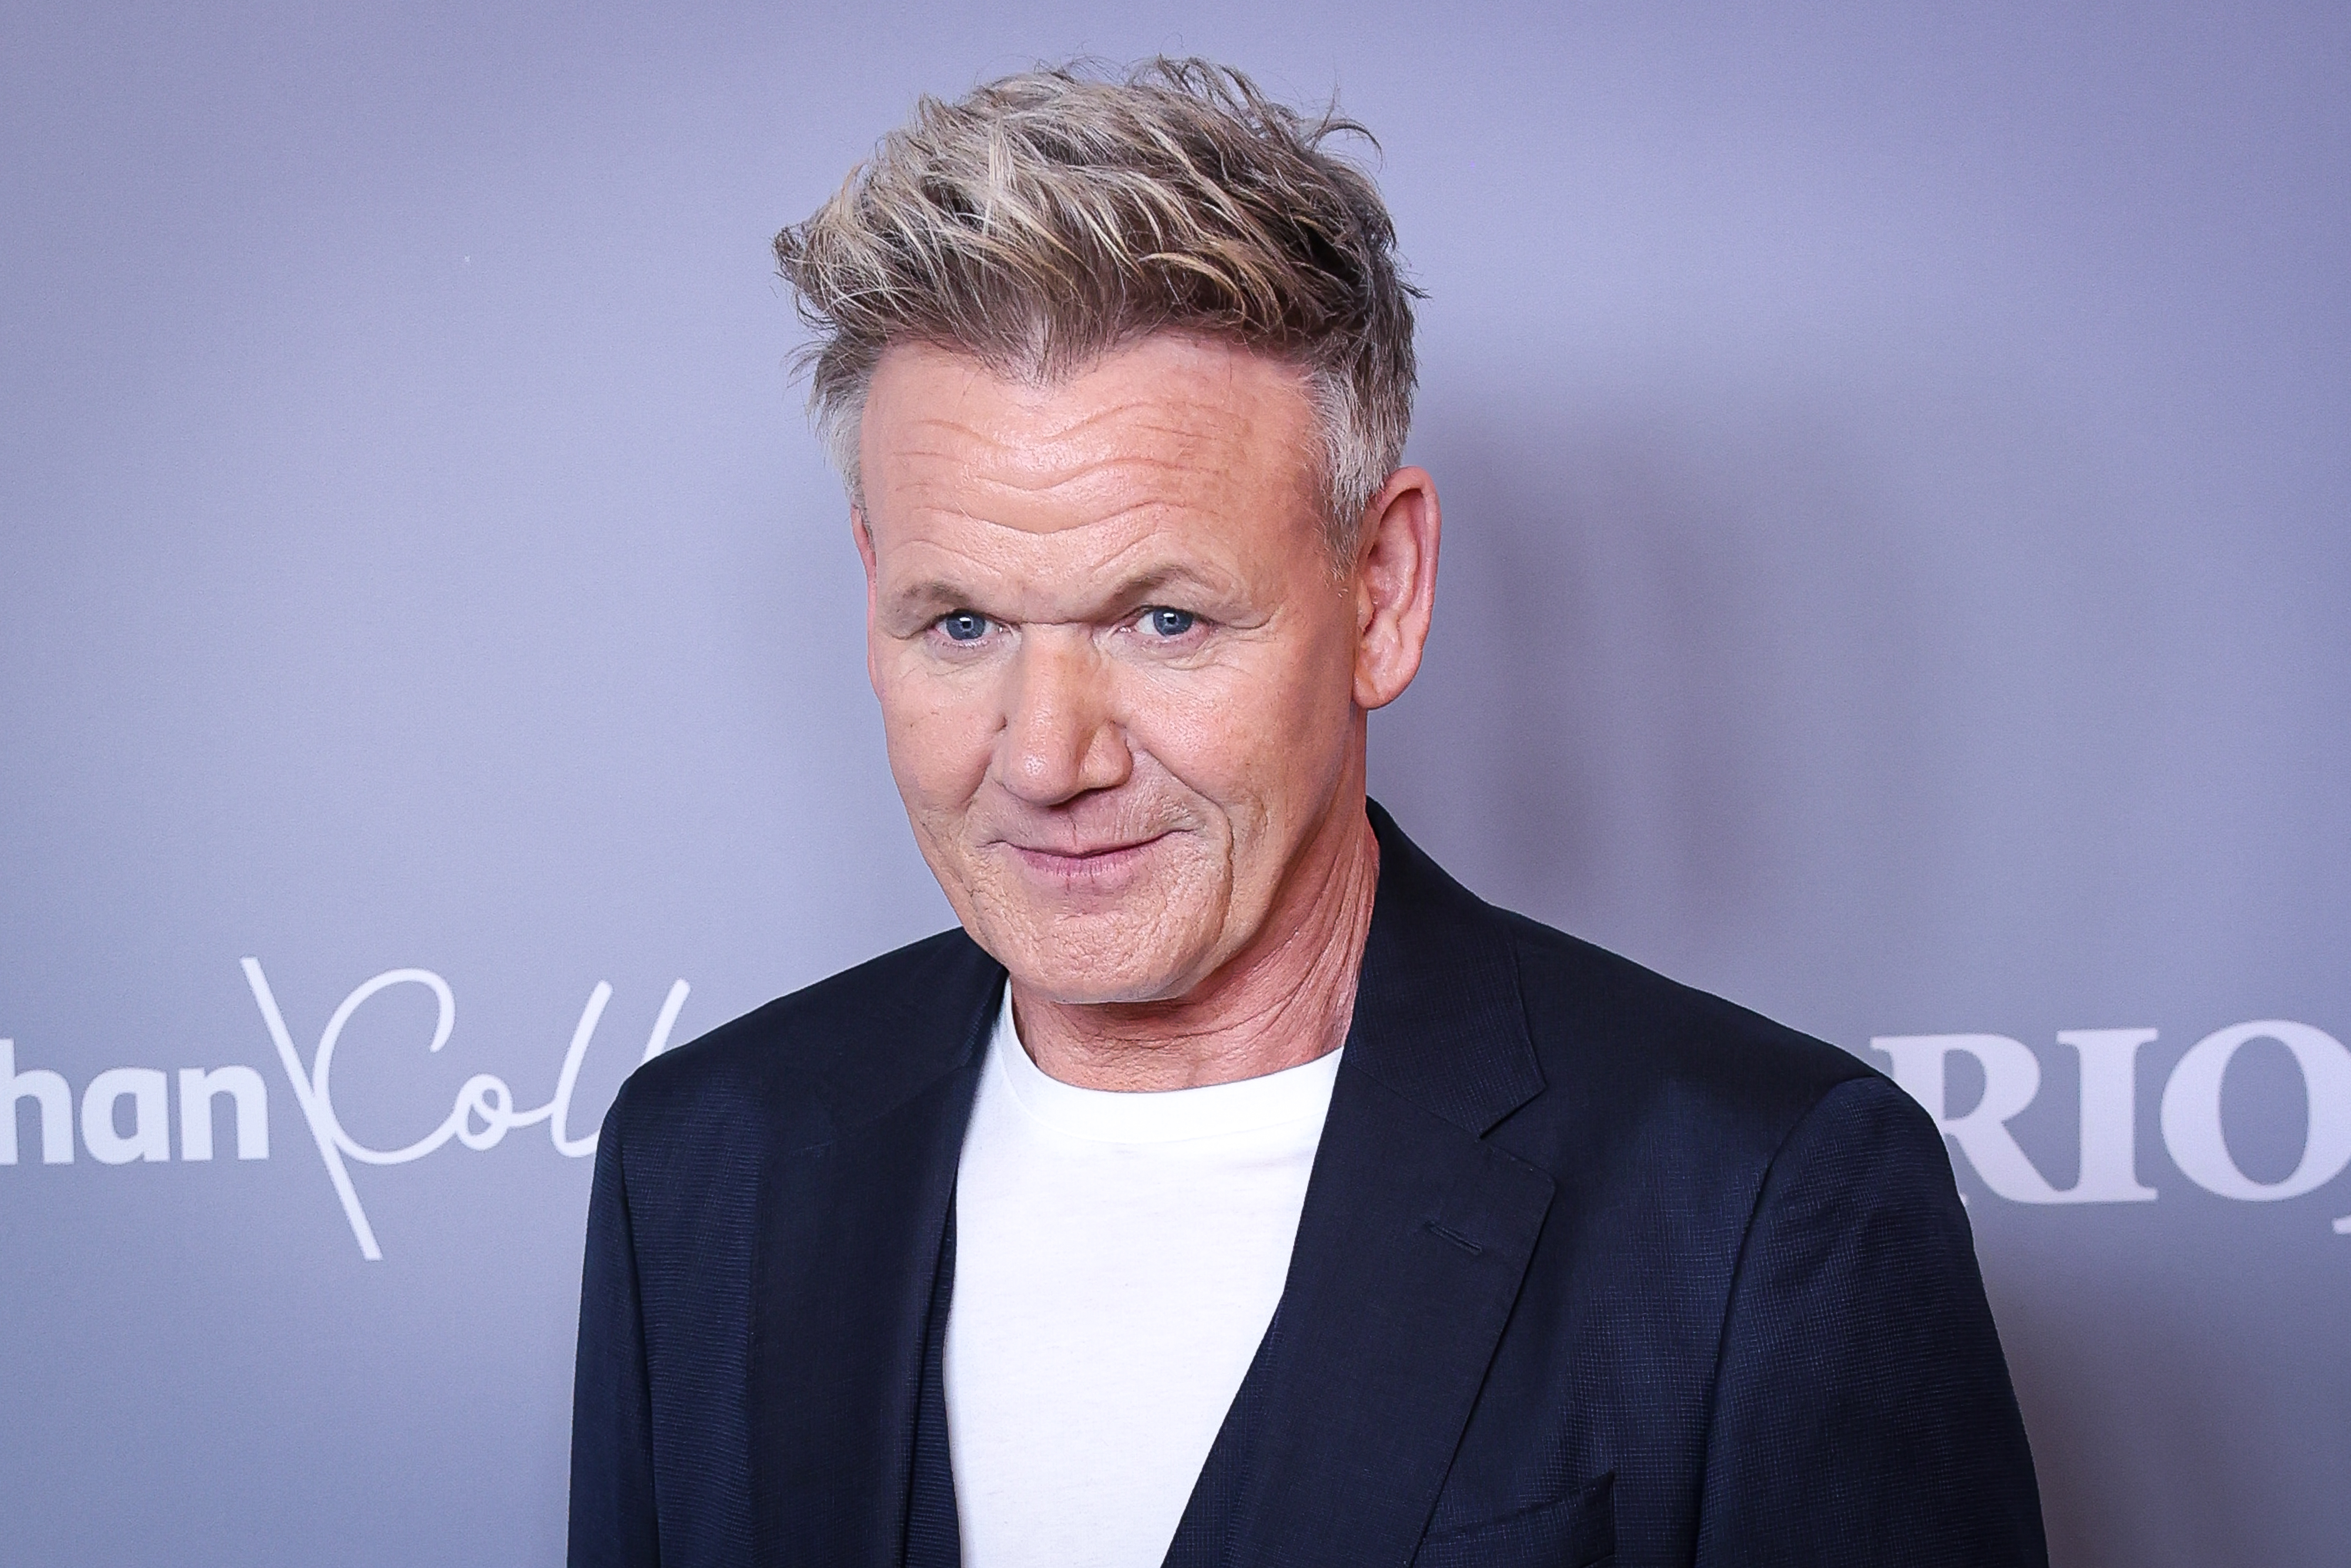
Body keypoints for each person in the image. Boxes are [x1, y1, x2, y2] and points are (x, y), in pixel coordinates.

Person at [568, 58, 2047, 1568]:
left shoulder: (1755, 1206)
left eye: (1161, 619)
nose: (1045, 755)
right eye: (960, 624)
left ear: (1381, 592)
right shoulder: (702, 1168)